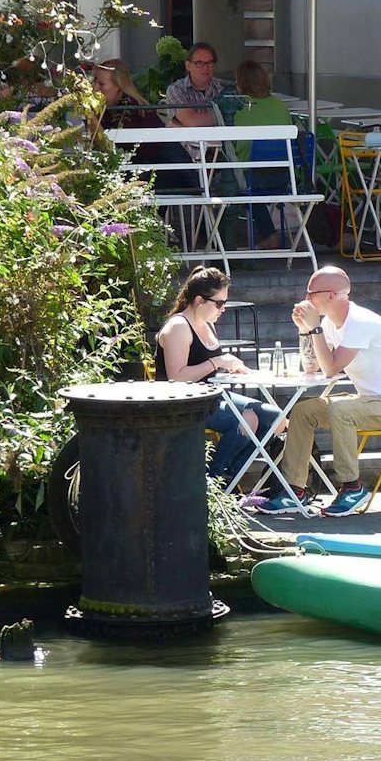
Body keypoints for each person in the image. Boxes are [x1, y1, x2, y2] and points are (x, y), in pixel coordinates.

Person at [259, 266, 381, 516]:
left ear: (331, 294)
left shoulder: (360, 322)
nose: (307, 298)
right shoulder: (330, 324)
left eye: (312, 293)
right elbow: (312, 365)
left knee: (341, 411)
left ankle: (352, 487)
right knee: (303, 410)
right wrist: (304, 330)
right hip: (367, 401)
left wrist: (315, 329)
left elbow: (329, 369)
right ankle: (294, 489)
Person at [154, 265, 280, 479]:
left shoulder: (206, 323)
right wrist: (218, 361)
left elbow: (207, 367)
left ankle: (230, 478)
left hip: (210, 395)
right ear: (199, 300)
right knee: (248, 419)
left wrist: (231, 368)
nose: (223, 309)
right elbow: (176, 377)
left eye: (225, 302)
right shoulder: (179, 326)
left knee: (277, 419)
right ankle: (214, 482)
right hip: (182, 402)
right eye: (219, 303)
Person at [91, 58, 195, 193]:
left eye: (101, 84)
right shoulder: (109, 109)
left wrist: (91, 118)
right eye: (94, 81)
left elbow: (110, 148)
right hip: (150, 171)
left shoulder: (130, 109)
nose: (95, 87)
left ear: (118, 86)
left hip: (169, 173)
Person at [232, 59, 293, 250]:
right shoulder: (279, 104)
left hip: (253, 177)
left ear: (240, 82)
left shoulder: (240, 107)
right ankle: (267, 234)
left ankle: (227, 243)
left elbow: (235, 143)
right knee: (248, 186)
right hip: (284, 176)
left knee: (223, 185)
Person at [164, 41, 224, 128]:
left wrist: (183, 125)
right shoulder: (176, 89)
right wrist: (224, 115)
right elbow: (191, 121)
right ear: (188, 65)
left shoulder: (223, 87)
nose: (205, 67)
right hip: (191, 141)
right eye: (199, 63)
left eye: (210, 63)